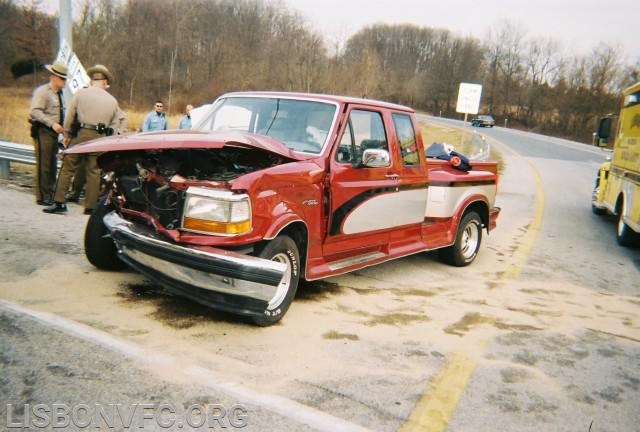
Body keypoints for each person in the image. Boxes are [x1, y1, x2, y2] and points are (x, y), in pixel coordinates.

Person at [44, 64, 122, 215]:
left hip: (80, 135)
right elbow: (115, 125)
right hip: (99, 138)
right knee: (94, 171)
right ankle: (90, 207)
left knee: (67, 169)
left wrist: (66, 135)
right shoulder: (112, 101)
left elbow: (70, 117)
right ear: (105, 82)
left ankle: (59, 203)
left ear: (93, 79)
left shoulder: (80, 94)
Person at [29, 61, 67, 206]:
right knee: (44, 164)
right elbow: (35, 111)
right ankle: (42, 196)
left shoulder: (59, 94)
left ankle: (49, 193)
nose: (64, 81)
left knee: (51, 164)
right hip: (43, 130)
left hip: (53, 133)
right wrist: (52, 124)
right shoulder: (43, 92)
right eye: (62, 78)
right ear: (54, 77)